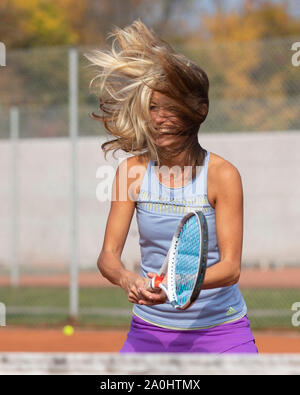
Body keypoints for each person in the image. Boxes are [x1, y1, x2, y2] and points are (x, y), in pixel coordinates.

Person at [85, 20, 258, 353]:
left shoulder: (222, 175)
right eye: (152, 108)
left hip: (220, 331)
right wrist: (127, 279)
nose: (159, 118)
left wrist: (177, 287)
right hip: (149, 331)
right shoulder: (131, 171)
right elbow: (107, 256)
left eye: (170, 108)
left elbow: (231, 267)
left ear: (198, 111)